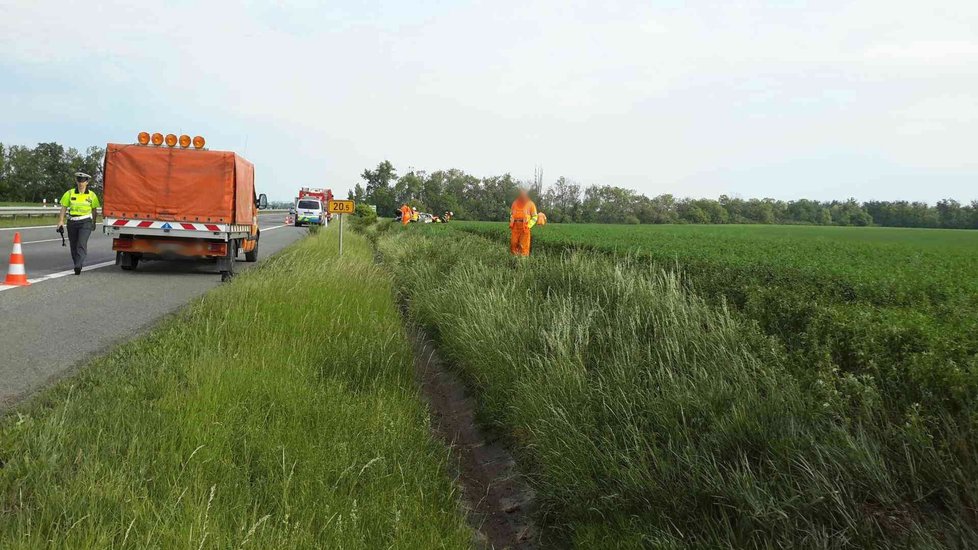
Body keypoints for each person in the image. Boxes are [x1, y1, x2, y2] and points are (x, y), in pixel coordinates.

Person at [57, 172, 100, 275]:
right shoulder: (69, 193)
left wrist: (93, 222)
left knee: (81, 243)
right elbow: (64, 207)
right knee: (73, 244)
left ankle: (78, 265)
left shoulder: (92, 195)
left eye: (83, 181)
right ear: (76, 181)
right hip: (72, 222)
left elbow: (94, 210)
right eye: (79, 181)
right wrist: (61, 221)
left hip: (85, 222)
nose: (81, 183)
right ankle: (76, 262)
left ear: (87, 182)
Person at [509, 188, 538, 256]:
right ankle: (514, 259)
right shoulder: (514, 203)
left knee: (524, 246)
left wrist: (529, 225)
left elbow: (535, 217)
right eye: (521, 193)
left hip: (525, 228)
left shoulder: (531, 204)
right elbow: (511, 214)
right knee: (514, 244)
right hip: (515, 227)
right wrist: (511, 222)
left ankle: (523, 261)